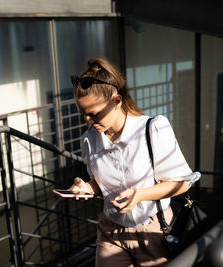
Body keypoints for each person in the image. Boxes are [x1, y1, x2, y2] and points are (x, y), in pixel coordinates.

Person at [68, 57, 201, 266]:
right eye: (83, 115)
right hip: (110, 231)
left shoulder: (153, 129)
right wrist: (87, 187)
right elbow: (102, 185)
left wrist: (140, 195)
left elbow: (182, 183)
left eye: (93, 114)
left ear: (116, 101)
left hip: (153, 231)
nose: (88, 122)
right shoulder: (89, 140)